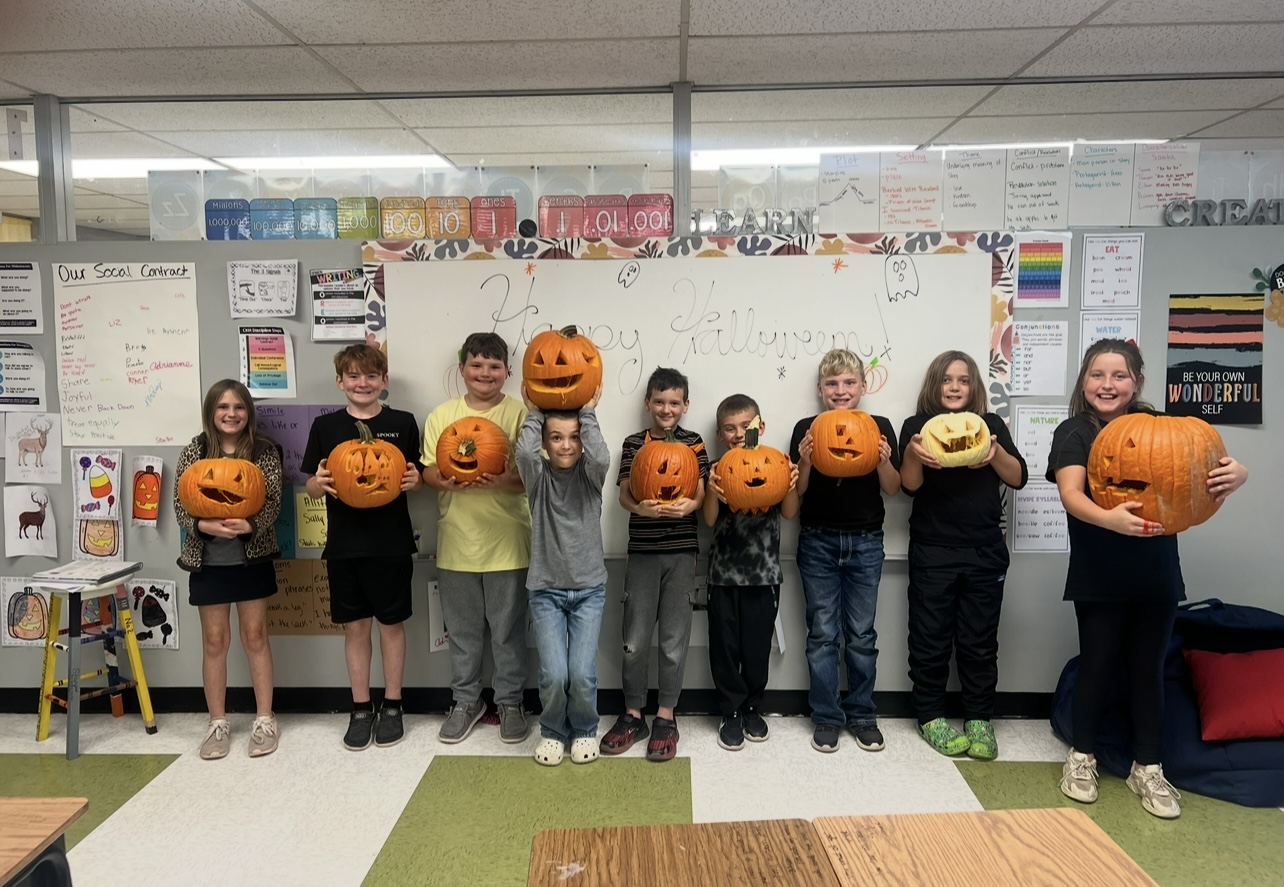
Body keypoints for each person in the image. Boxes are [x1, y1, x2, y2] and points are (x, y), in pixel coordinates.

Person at [1049, 338, 1247, 819]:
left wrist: (1238, 473)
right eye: (1098, 375)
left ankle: (1149, 766)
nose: (1107, 384)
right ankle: (1082, 757)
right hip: (1099, 572)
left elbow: (1203, 468)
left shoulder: (1164, 427)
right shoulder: (1075, 431)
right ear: (1084, 382)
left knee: (1148, 669)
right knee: (1098, 663)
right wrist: (1108, 518)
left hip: (1157, 572)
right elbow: (1071, 494)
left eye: (1119, 375)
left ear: (1136, 381)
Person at [899, 351, 1028, 760]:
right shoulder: (917, 428)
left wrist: (994, 454)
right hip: (933, 549)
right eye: (946, 380)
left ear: (974, 387)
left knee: (979, 641)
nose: (954, 387)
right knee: (930, 637)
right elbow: (909, 486)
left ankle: (978, 717)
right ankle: (931, 715)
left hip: (984, 550)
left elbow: (1018, 477)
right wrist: (913, 455)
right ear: (933, 386)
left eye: (963, 380)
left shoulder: (987, 426)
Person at [301, 344, 423, 751]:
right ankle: (359, 707)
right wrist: (318, 484)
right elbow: (312, 485)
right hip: (344, 545)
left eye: (371, 376)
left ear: (383, 381)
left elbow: (415, 474)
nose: (362, 383)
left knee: (392, 624)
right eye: (353, 376)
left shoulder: (403, 423)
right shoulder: (325, 427)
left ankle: (393, 703)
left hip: (391, 542)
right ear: (340, 382)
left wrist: (416, 481)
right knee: (355, 628)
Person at [421, 333, 531, 745]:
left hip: (508, 543)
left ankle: (510, 701)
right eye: (477, 365)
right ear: (462, 368)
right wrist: (446, 478)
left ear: (507, 372)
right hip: (456, 543)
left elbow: (532, 478)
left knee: (508, 632)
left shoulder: (522, 415)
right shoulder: (441, 415)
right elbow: (428, 470)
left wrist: (505, 480)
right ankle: (466, 700)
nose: (485, 373)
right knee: (464, 633)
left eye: (494, 366)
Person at [790, 348, 900, 754]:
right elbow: (795, 493)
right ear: (821, 390)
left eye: (849, 382)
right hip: (817, 539)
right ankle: (826, 716)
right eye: (832, 384)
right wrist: (804, 461)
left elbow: (894, 488)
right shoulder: (807, 427)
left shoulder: (880, 425)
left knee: (861, 635)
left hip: (866, 541)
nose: (841, 390)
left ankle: (863, 714)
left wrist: (885, 461)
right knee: (822, 634)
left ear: (863, 386)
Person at [600, 367, 707, 762]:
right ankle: (632, 713)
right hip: (642, 552)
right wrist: (641, 509)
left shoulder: (695, 444)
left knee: (675, 642)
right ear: (648, 403)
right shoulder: (634, 443)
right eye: (659, 401)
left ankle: (666, 715)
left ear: (685, 405)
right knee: (634, 641)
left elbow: (698, 491)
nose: (666, 408)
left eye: (674, 402)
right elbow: (627, 495)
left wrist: (690, 506)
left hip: (682, 553)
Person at [175, 379, 283, 760]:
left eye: (238, 407)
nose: (231, 414)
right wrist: (202, 526)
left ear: (248, 412)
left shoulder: (265, 451)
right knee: (215, 642)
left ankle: (265, 718)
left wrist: (252, 525)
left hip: (250, 559)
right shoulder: (196, 450)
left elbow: (271, 502)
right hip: (208, 563)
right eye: (223, 407)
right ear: (211, 412)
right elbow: (181, 503)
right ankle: (217, 723)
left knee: (255, 637)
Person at [516, 384, 609, 766]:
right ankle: (553, 732)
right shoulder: (536, 479)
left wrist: (586, 412)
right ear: (545, 441)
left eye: (573, 438)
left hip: (589, 590)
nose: (566, 445)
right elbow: (523, 450)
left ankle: (585, 730)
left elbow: (601, 455)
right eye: (556, 438)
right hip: (546, 591)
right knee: (554, 674)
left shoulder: (591, 477)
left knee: (582, 673)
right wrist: (536, 411)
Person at [703, 395, 799, 751]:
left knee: (757, 648)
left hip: (764, 575)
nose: (738, 433)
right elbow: (710, 520)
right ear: (719, 433)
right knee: (725, 648)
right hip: (723, 575)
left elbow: (789, 513)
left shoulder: (776, 462)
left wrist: (790, 483)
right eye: (730, 428)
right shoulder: (716, 467)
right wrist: (711, 492)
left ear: (760, 426)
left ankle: (753, 707)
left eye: (746, 426)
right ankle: (730, 711)